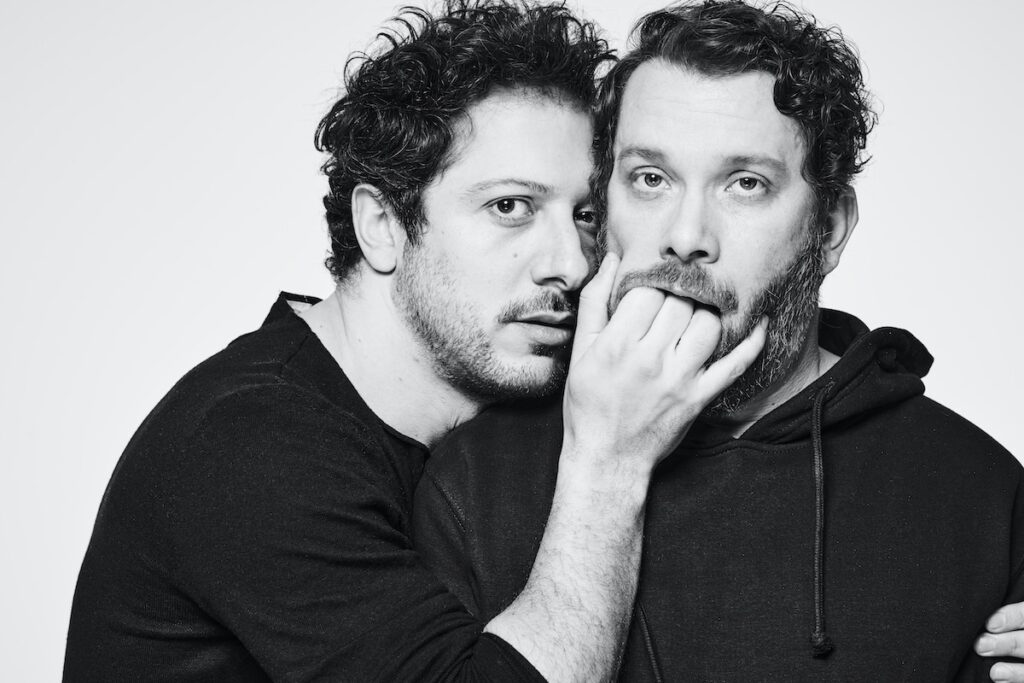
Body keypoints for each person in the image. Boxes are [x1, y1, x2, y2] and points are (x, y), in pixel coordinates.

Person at [62, 2, 766, 681]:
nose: (571, 264)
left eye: (584, 216)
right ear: (382, 226)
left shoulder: (470, 429)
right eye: (510, 207)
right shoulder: (249, 440)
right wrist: (610, 464)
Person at [412, 1, 1024, 680]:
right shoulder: (474, 478)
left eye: (745, 184)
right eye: (651, 179)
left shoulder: (980, 493)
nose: (686, 236)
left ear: (828, 229)